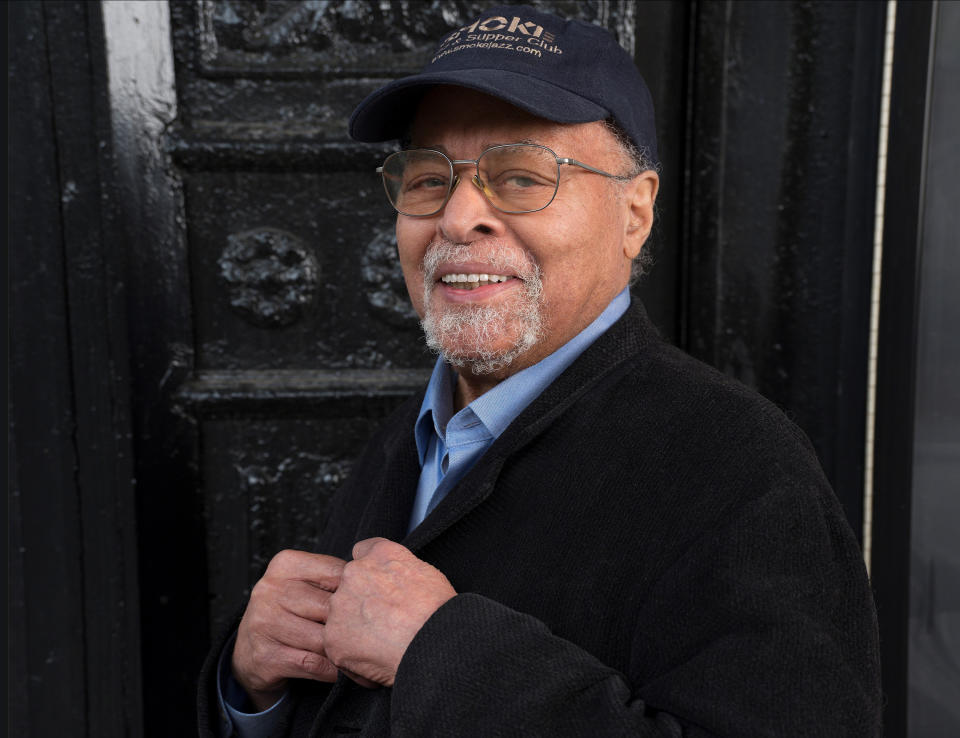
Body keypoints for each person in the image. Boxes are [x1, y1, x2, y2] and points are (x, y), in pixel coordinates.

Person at [198, 5, 882, 736]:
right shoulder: (415, 434)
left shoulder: (744, 469)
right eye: (430, 178)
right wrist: (250, 688)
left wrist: (443, 652)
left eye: (521, 176)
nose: (458, 218)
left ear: (634, 213)